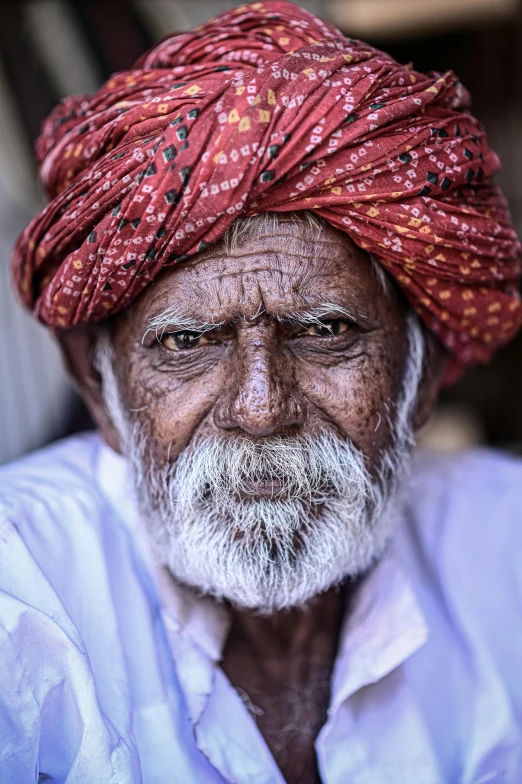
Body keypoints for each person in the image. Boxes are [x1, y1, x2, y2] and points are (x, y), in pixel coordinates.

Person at [2, 2, 522, 782]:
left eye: (323, 332)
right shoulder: (20, 597)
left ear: (420, 377)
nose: (260, 407)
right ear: (99, 388)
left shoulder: (505, 545)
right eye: (186, 343)